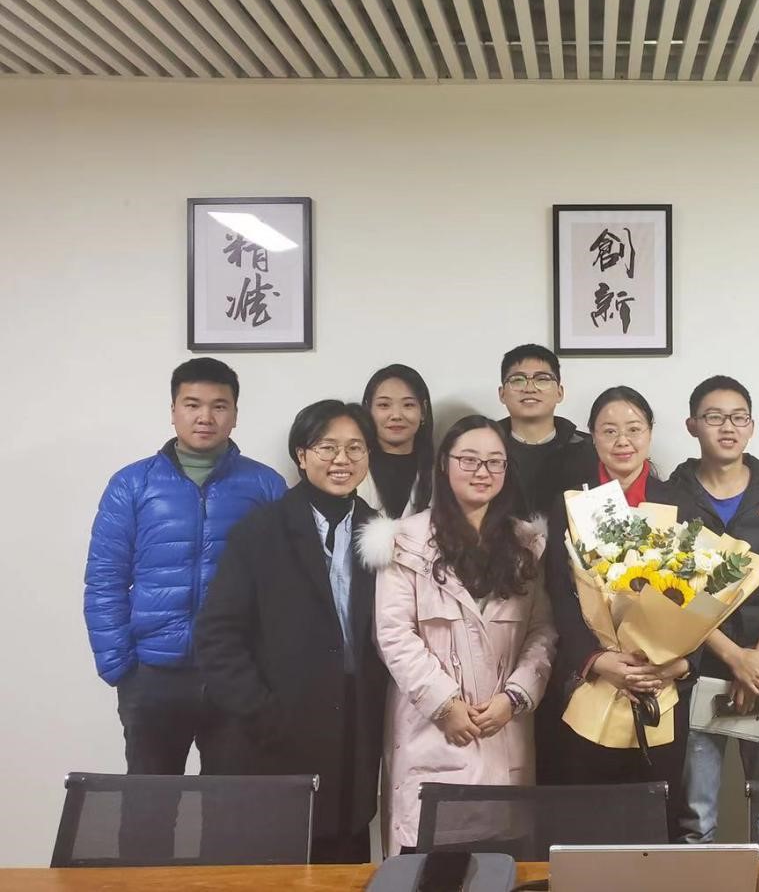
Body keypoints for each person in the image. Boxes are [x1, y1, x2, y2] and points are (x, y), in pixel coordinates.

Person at [195, 400, 389, 864]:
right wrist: (261, 711)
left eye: (355, 448)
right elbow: (217, 635)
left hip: (354, 721)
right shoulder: (260, 531)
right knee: (277, 859)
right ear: (301, 455)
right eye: (327, 447)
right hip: (277, 724)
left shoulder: (383, 534)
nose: (341, 459)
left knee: (344, 858)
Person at [84, 357, 285, 791]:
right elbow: (105, 579)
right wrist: (121, 667)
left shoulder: (265, 485)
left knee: (230, 807)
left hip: (235, 673)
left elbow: (282, 588)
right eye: (192, 404)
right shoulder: (131, 484)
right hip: (152, 675)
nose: (205, 417)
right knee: (149, 806)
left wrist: (264, 668)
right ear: (173, 410)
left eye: (219, 405)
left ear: (235, 414)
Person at [362, 415, 556, 855]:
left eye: (494, 462)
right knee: (426, 864)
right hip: (433, 730)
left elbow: (542, 631)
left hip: (505, 729)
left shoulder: (527, 544)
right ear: (444, 465)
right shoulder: (406, 541)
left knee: (502, 865)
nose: (482, 471)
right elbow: (393, 633)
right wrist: (445, 704)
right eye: (469, 460)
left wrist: (515, 697)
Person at [536, 386, 694, 838]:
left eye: (633, 429)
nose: (622, 440)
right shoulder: (571, 504)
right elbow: (560, 594)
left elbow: (701, 599)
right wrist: (598, 659)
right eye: (609, 431)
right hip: (591, 682)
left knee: (657, 819)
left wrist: (677, 663)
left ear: (650, 433)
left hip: (660, 684)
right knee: (587, 821)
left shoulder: (678, 502)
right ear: (593, 437)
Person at [669, 376, 759, 844]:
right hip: (695, 672)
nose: (728, 427)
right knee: (695, 817)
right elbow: (669, 591)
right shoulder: (669, 496)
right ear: (692, 425)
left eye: (738, 417)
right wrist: (732, 657)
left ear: (752, 426)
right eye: (714, 417)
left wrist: (757, 661)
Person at [496, 343, 591, 516]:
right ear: (502, 394)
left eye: (542, 379)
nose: (530, 388)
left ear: (560, 392)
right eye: (517, 380)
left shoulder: (589, 449)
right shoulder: (485, 450)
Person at [359, 364, 434, 518]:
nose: (396, 415)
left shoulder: (439, 474)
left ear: (423, 410)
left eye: (408, 405)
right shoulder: (352, 466)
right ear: (368, 409)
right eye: (384, 405)